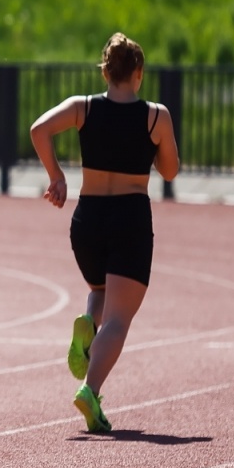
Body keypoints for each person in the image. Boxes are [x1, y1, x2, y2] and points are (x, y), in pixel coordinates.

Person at [29, 32, 179, 433]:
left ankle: (87, 321)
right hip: (129, 217)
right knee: (121, 318)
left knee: (100, 290)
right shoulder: (155, 116)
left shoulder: (84, 108)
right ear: (139, 74)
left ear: (106, 72)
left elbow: (38, 129)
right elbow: (170, 170)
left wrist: (56, 176)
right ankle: (90, 389)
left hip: (88, 218)